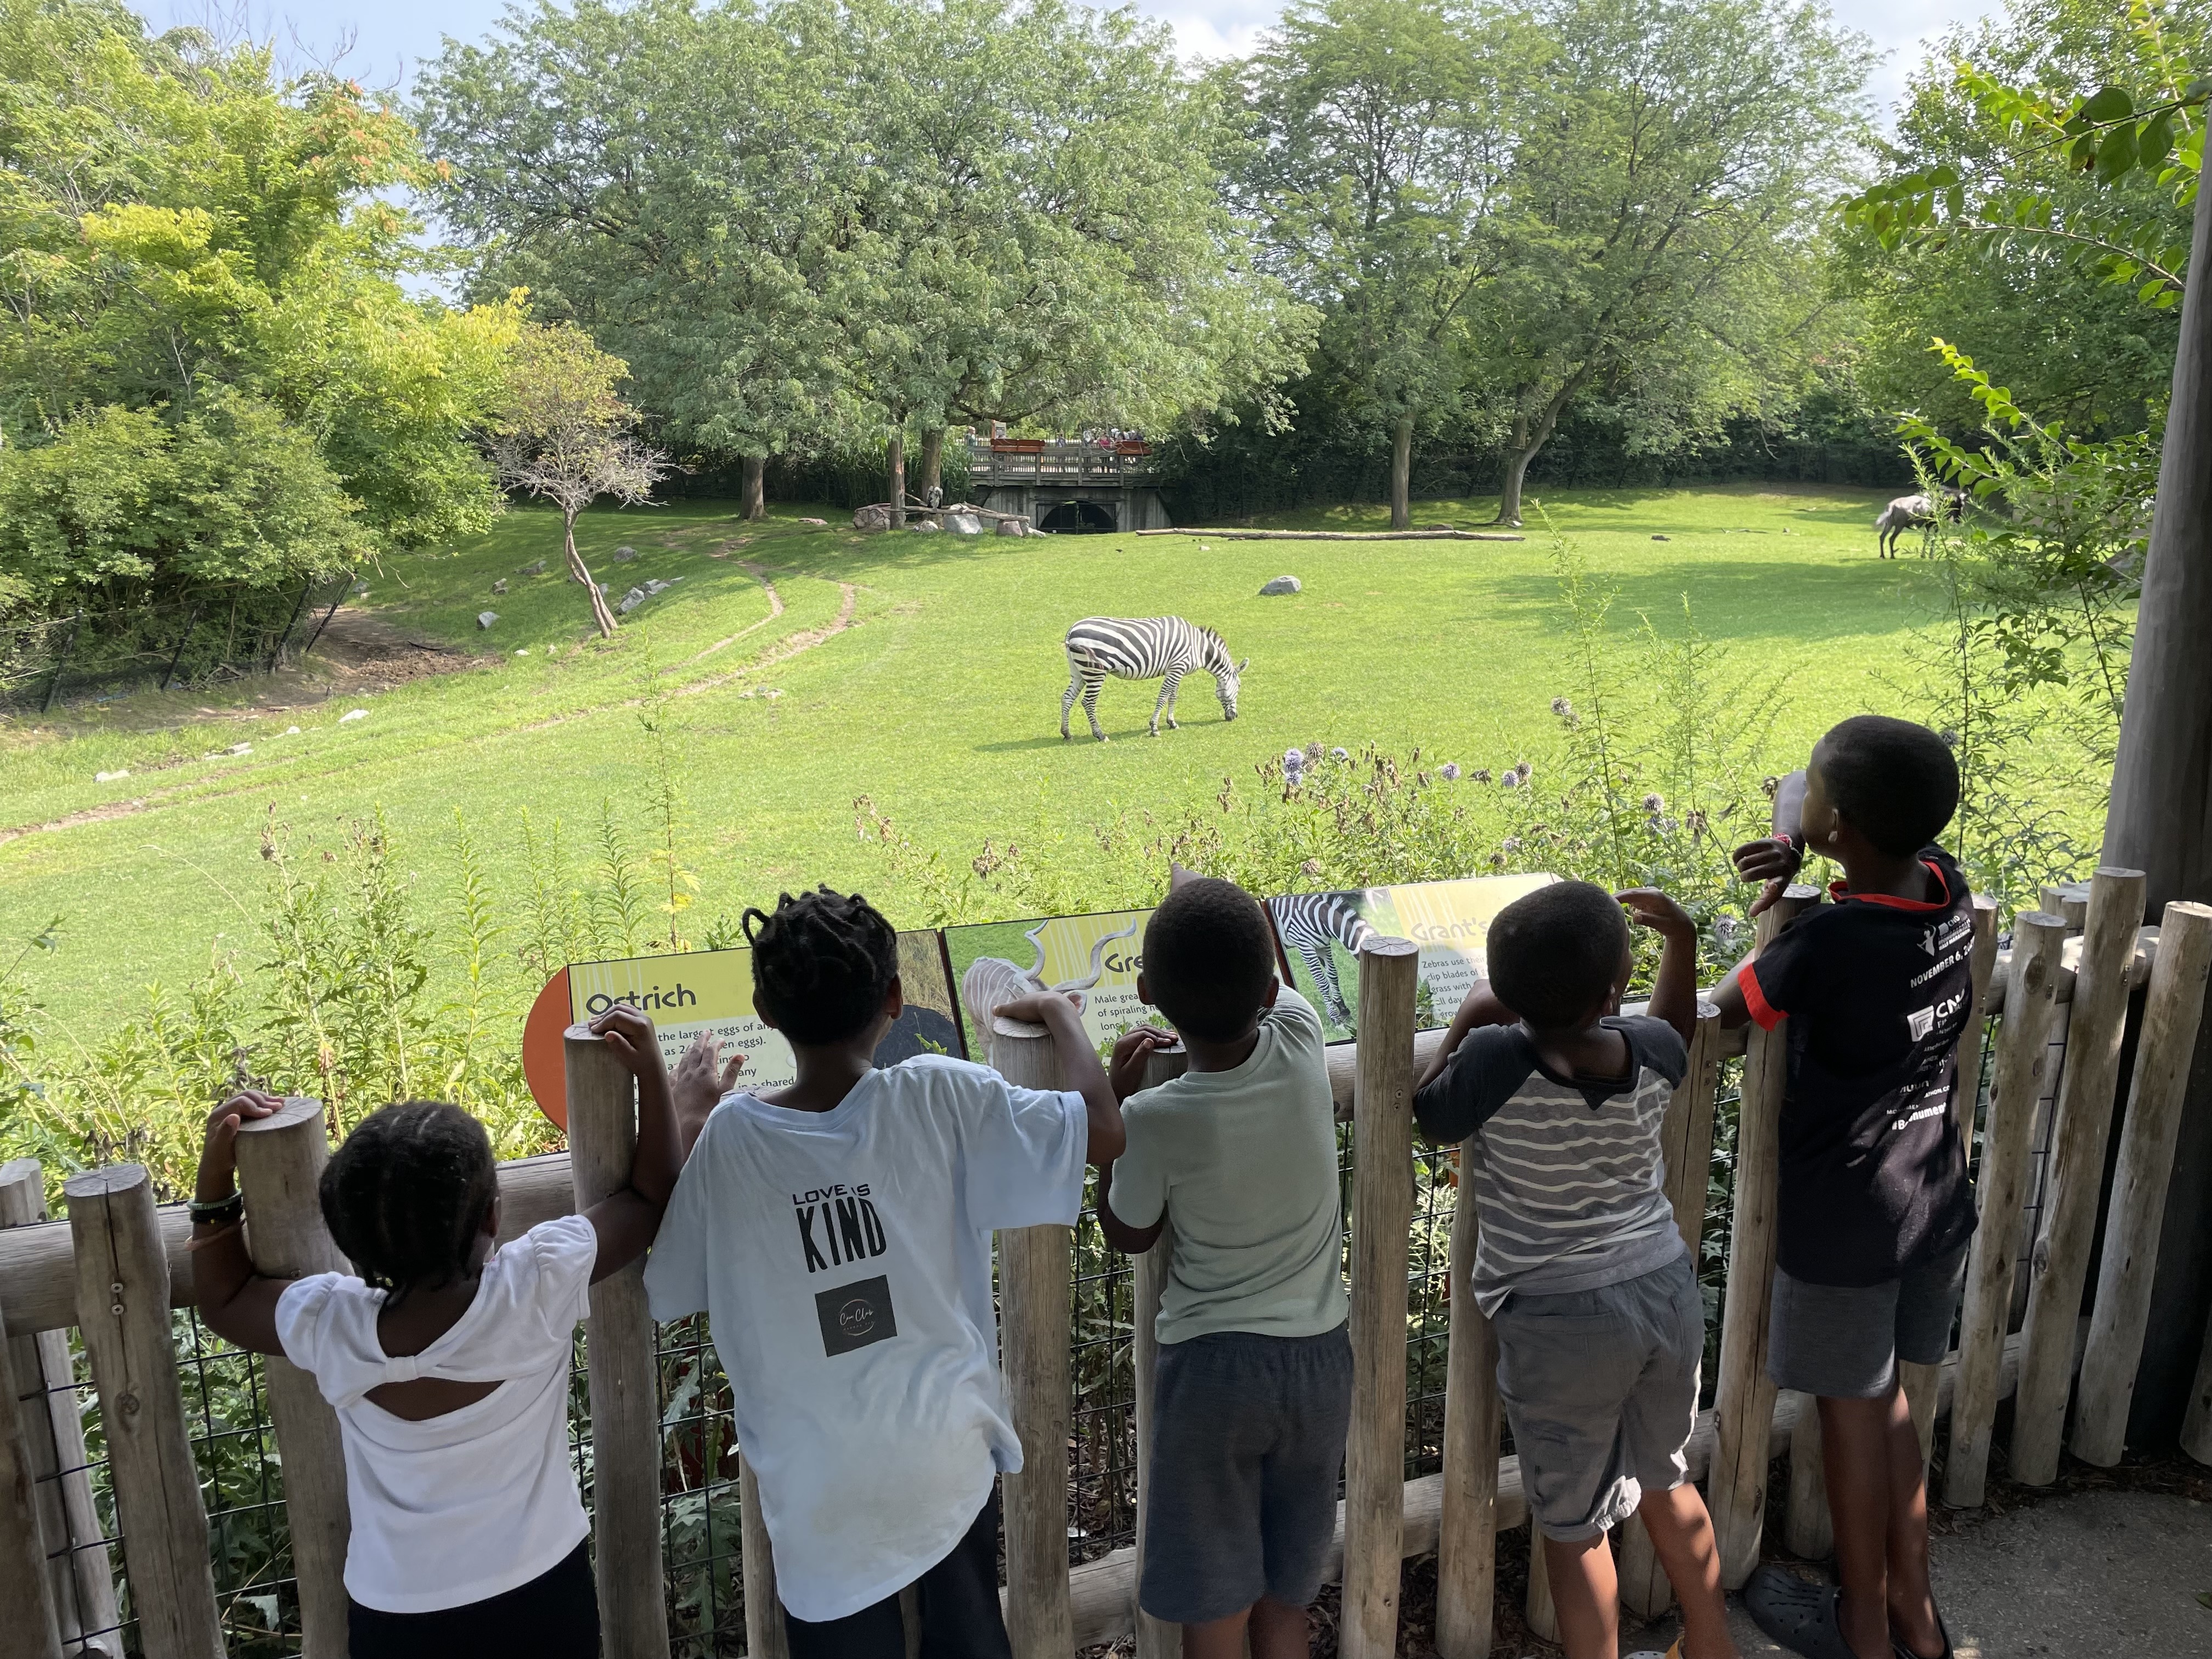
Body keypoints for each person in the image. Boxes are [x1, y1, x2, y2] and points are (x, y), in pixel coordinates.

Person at [642, 887, 1126, 1659]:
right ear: (895, 999)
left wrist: (688, 1115)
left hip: (818, 1497)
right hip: (947, 1463)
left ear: (764, 1012)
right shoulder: (943, 1094)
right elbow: (1102, 1131)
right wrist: (1059, 1013)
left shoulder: (732, 1140)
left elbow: (667, 1282)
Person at [189, 1006, 680, 1658]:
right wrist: (651, 1075)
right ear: (493, 1218)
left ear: (350, 1243)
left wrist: (214, 1180)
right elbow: (648, 1200)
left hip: (397, 1615)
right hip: (541, 1595)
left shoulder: (332, 1324)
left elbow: (225, 1300)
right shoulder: (536, 1285)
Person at [1413, 881, 1739, 1659]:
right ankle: (1712, 1644)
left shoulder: (1496, 1057)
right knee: (1667, 1476)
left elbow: (1431, 1114)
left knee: (1575, 1524)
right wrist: (1683, 941)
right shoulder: (1650, 1051)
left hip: (1561, 1323)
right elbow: (1675, 1029)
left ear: (1508, 993)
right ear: (1613, 992)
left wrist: (1472, 1011)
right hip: (1663, 1290)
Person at [1716, 716, 1976, 1659]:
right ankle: (1917, 1616)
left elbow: (1730, 1006)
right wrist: (1799, 838)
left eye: (1816, 793)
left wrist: (1781, 887)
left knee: (1850, 1415)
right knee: (1888, 1399)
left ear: (1841, 825)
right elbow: (1826, 798)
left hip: (1848, 1222)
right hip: (1932, 1198)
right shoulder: (1943, 884)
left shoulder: (1827, 942)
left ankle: (1863, 1625)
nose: (1803, 792)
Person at [1096, 876, 1351, 1659]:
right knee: (1288, 1592)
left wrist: (1112, 1109)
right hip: (1318, 1363)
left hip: (1213, 1377)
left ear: (1146, 991)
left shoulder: (1152, 1117)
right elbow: (1263, 967)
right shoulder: (1302, 1038)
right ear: (1270, 990)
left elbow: (1129, 1231)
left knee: (1214, 1603)